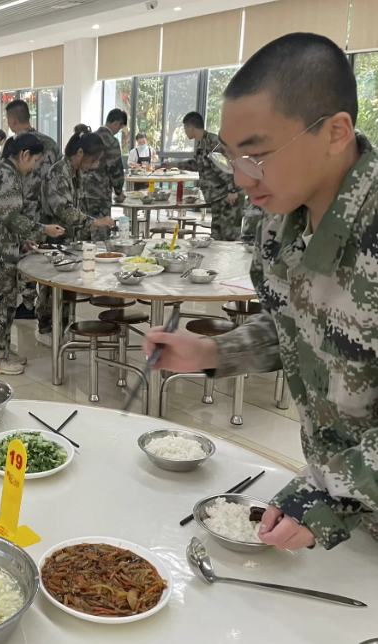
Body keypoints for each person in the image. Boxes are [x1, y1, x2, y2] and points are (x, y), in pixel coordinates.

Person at [145, 32, 378, 552]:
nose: (241, 178)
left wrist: (325, 500)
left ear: (336, 132)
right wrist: (214, 351)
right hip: (344, 507)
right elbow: (296, 324)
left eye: (257, 154)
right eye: (232, 157)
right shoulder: (281, 222)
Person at [0, 133, 65, 374]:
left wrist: (22, 241)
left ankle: (0, 350)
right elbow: (12, 217)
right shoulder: (8, 176)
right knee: (1, 304)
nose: (33, 166)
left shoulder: (2, 171)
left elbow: (2, 216)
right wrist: (43, 230)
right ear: (24, 155)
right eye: (33, 160)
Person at [36, 130, 115, 339]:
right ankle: (46, 328)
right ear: (79, 152)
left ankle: (60, 329)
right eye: (93, 159)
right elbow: (64, 210)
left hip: (68, 239)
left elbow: (77, 206)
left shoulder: (75, 172)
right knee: (51, 288)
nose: (94, 165)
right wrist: (94, 222)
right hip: (53, 238)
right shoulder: (58, 173)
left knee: (64, 288)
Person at [5, 99, 62, 328]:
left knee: (26, 258)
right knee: (47, 258)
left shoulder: (15, 145)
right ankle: (46, 307)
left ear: (12, 120)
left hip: (25, 212)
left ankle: (28, 304)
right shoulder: (51, 144)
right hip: (50, 211)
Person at [173, 111, 244, 240]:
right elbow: (198, 164)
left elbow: (228, 167)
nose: (185, 131)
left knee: (230, 237)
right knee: (216, 236)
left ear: (191, 127)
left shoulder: (214, 142)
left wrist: (232, 190)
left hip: (228, 195)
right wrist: (175, 165)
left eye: (185, 128)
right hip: (217, 196)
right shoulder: (201, 143)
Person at [81, 109, 127, 242]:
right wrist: (119, 192)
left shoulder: (90, 137)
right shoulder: (111, 141)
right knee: (101, 234)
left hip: (82, 192)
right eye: (120, 127)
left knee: (85, 229)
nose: (118, 131)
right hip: (100, 194)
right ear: (117, 123)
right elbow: (115, 170)